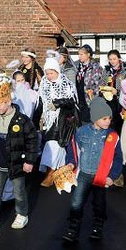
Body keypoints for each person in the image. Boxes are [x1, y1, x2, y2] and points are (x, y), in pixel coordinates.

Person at [0, 75, 38, 236]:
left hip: (16, 163)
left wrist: (30, 161)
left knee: (19, 191)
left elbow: (32, 140)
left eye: (1, 104)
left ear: (9, 101)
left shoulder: (22, 120)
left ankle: (22, 214)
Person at [60, 97, 123, 243]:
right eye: (104, 118)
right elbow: (73, 150)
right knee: (76, 202)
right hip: (83, 174)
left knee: (99, 203)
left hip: (101, 176)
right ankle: (73, 229)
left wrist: (112, 176)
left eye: (109, 118)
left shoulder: (112, 136)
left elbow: (118, 158)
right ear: (95, 119)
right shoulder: (81, 132)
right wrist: (70, 163)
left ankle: (97, 227)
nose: (108, 121)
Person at [37, 57, 78, 186]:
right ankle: (55, 173)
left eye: (51, 73)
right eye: (47, 73)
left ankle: (50, 173)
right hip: (48, 120)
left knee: (55, 145)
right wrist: (40, 116)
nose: (49, 76)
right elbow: (40, 101)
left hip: (63, 119)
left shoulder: (66, 83)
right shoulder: (43, 83)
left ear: (57, 71)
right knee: (52, 145)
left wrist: (57, 103)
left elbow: (72, 101)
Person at [74, 44, 107, 123]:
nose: (79, 56)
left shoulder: (96, 67)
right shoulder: (77, 66)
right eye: (79, 54)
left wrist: (94, 93)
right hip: (79, 100)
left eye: (82, 54)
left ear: (88, 54)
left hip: (90, 100)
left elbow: (101, 84)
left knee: (90, 123)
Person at [102, 49, 126, 135]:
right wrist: (103, 89)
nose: (112, 61)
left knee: (120, 124)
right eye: (110, 59)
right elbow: (102, 82)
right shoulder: (106, 70)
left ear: (119, 59)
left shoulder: (125, 70)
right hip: (108, 101)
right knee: (110, 123)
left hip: (120, 101)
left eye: (114, 59)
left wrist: (117, 92)